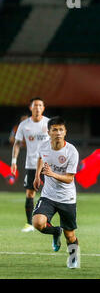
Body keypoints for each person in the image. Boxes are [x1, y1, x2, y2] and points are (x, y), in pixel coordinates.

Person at [32, 116, 80, 269]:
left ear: (65, 132)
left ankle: (73, 258)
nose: (58, 132)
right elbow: (40, 157)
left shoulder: (71, 151)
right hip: (48, 195)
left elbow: (69, 179)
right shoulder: (44, 146)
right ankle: (55, 231)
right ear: (49, 132)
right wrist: (37, 176)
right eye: (54, 130)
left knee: (70, 235)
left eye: (61, 129)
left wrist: (52, 174)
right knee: (38, 223)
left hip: (67, 198)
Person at [11, 98, 50, 232]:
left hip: (48, 165)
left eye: (40, 105)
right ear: (30, 107)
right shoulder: (24, 125)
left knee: (52, 194)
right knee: (30, 193)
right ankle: (29, 224)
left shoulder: (49, 123)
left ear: (43, 108)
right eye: (35, 105)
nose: (37, 108)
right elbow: (17, 143)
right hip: (32, 164)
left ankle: (48, 221)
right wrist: (14, 161)